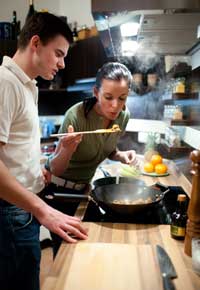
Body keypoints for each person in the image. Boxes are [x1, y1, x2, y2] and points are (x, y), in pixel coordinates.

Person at [0, 12, 88, 290]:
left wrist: (40, 167)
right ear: (36, 43)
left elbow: (14, 152)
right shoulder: (5, 83)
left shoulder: (28, 86)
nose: (62, 64)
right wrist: (43, 210)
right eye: (59, 54)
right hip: (9, 214)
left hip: (20, 211)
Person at [45, 62, 138, 255]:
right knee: (65, 256)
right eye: (108, 97)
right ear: (96, 92)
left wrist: (120, 155)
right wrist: (67, 150)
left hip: (85, 191)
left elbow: (107, 147)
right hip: (59, 192)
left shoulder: (123, 116)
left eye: (122, 98)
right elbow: (55, 168)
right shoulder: (76, 116)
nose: (115, 106)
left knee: (89, 250)